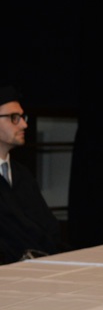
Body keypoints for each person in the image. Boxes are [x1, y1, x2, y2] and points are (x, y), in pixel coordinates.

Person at [0, 85, 65, 264]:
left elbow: (50, 228)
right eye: (14, 118)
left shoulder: (22, 174)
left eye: (22, 117)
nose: (24, 124)